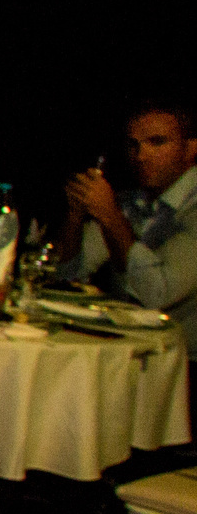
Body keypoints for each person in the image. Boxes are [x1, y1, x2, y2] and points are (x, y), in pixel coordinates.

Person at [61, 98, 197, 347]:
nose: (141, 156)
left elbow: (157, 294)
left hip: (182, 363)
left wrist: (110, 215)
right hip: (127, 351)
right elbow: (67, 276)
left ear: (190, 149)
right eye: (133, 145)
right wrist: (75, 216)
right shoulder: (132, 202)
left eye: (157, 142)